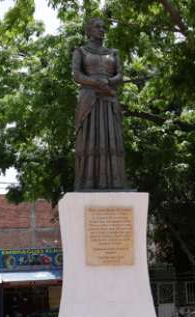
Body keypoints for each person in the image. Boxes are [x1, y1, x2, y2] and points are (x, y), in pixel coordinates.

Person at [72, 17, 126, 191]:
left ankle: (114, 182)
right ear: (88, 30)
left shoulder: (113, 52)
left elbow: (120, 75)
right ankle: (87, 181)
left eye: (104, 27)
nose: (102, 30)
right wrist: (96, 84)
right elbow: (77, 76)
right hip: (90, 98)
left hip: (109, 98)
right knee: (90, 137)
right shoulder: (80, 51)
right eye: (97, 27)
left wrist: (108, 83)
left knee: (111, 136)